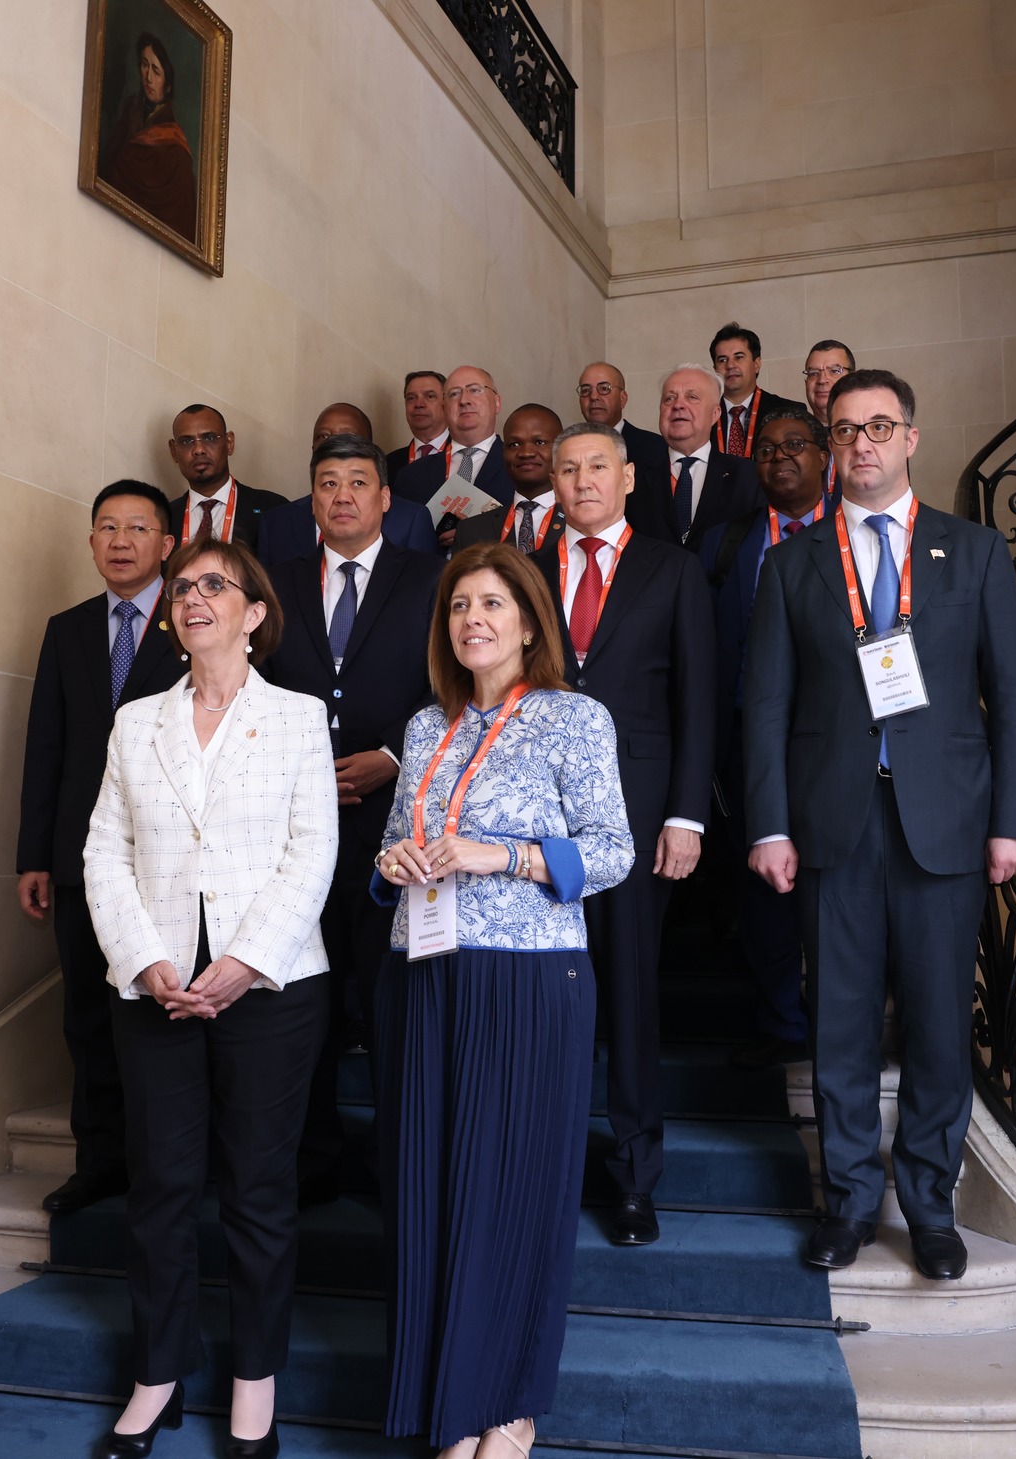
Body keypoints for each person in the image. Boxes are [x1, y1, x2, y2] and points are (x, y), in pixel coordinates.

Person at [744, 369, 1016, 1284]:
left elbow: (1014, 697)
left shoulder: (973, 551)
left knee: (941, 1025)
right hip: (832, 821)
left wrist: (1013, 820)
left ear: (910, 437)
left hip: (945, 824)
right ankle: (847, 1203)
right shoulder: (793, 563)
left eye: (878, 426)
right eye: (844, 429)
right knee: (839, 1022)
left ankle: (930, 1205)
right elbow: (766, 705)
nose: (861, 443)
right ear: (830, 446)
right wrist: (767, 824)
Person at [372, 543, 634, 1458]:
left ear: (528, 621)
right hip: (426, 975)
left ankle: (510, 1407)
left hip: (529, 979)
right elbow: (394, 841)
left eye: (491, 603)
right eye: (458, 606)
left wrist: (507, 856)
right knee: (432, 1193)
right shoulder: (424, 727)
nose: (472, 620)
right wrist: (392, 859)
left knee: (514, 1191)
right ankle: (448, 1408)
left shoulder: (574, 718)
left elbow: (612, 851)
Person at [85, 539, 339, 1457]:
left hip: (270, 989)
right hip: (155, 989)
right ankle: (157, 1374)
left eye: (214, 586)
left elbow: (311, 853)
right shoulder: (135, 722)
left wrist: (242, 962)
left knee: (259, 1191)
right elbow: (104, 851)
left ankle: (253, 1381)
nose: (193, 598)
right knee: (159, 1186)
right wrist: (146, 957)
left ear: (253, 612)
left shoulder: (299, 717)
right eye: (183, 587)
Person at [535, 423, 714, 1245]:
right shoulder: (524, 569)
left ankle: (635, 1177)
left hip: (638, 817)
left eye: (597, 466)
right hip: (535, 820)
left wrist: (685, 814)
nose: (582, 481)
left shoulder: (673, 569)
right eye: (568, 469)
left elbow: (696, 699)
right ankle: (545, 1161)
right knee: (545, 993)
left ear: (630, 477)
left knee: (631, 996)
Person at [262, 434, 444, 1206]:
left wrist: (394, 756)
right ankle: (312, 1155)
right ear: (312, 498)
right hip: (295, 830)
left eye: (358, 482)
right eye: (328, 483)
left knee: (389, 999)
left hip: (394, 831)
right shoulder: (276, 582)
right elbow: (253, 686)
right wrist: (297, 772)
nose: (342, 495)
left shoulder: (430, 578)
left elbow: (452, 683)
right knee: (303, 1002)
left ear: (385, 499)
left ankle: (396, 1160)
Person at [16, 481, 184, 1214]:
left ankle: (168, 1166)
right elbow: (45, 746)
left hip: (169, 859)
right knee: (86, 1013)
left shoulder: (193, 618)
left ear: (167, 544)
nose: (121, 541)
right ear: (90, 543)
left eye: (138, 527)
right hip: (82, 858)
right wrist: (35, 854)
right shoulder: (68, 629)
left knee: (158, 1014)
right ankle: (98, 1164)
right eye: (107, 527)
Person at [696, 410, 830, 1071]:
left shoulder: (857, 532)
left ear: (824, 456)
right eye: (767, 449)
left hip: (837, 742)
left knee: (838, 888)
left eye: (795, 445)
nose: (779, 458)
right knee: (765, 891)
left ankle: (841, 1026)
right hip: (752, 743)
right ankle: (782, 1021)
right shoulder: (725, 543)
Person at [259, 403, 438, 564]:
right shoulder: (276, 523)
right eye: (323, 436)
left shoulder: (411, 519)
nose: (334, 443)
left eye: (358, 482)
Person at [626, 364, 761, 548]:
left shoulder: (749, 477)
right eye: (669, 398)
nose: (678, 405)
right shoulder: (633, 479)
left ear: (715, 414)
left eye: (692, 397)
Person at [393, 365, 511, 547]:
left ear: (497, 402)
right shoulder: (410, 476)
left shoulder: (519, 467)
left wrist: (472, 535)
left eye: (474, 390)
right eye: (454, 394)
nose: (464, 400)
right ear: (444, 407)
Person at [98, 32, 196, 240]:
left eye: (156, 71)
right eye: (144, 65)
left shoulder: (177, 150)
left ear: (168, 84)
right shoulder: (131, 109)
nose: (148, 78)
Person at [165, 404, 285, 555]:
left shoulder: (274, 509)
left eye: (209, 438)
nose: (198, 450)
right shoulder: (165, 519)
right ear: (174, 451)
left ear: (229, 443)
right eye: (186, 442)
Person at [451, 403, 563, 553]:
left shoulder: (583, 521)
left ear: (562, 448)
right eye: (514, 444)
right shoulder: (471, 531)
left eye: (539, 442)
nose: (526, 453)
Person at [708, 323, 796, 458]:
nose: (730, 365)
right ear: (715, 369)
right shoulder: (702, 415)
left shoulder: (788, 412)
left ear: (756, 364)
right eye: (722, 360)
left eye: (738, 357)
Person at [576, 361, 668, 478]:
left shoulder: (656, 448)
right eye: (585, 390)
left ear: (623, 398)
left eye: (604, 388)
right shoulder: (569, 448)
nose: (593, 397)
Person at [385, 370, 450, 480]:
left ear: (446, 403)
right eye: (411, 398)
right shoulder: (388, 463)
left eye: (430, 396)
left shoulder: (467, 455)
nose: (419, 404)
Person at [802, 338, 856, 423]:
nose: (822, 380)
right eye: (814, 373)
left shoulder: (870, 429)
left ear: (853, 379)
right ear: (806, 383)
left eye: (834, 371)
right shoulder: (797, 431)